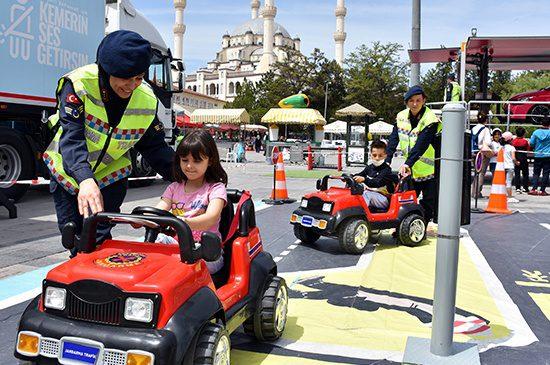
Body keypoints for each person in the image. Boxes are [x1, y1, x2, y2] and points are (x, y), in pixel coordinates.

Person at [44, 30, 175, 250]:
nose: (132, 85)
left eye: (139, 78)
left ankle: (95, 279)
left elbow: (155, 148)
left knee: (97, 240)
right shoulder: (79, 85)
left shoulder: (146, 98)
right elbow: (72, 138)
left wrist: (189, 176)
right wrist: (85, 179)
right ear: (106, 70)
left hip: (109, 178)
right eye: (126, 77)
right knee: (74, 238)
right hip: (69, 173)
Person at [155, 130, 228, 273]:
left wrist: (182, 222)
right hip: (179, 246)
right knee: (154, 244)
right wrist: (142, 220)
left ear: (210, 161)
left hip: (208, 252)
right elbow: (159, 212)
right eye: (185, 160)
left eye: (197, 160)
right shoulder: (174, 188)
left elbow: (211, 218)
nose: (189, 166)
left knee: (184, 269)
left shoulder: (215, 189)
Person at [386, 85, 442, 221]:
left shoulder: (430, 119)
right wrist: (387, 159)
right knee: (406, 202)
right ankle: (406, 227)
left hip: (431, 170)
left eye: (418, 100)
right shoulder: (401, 117)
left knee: (428, 204)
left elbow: (421, 145)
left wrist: (407, 163)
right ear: (406, 102)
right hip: (411, 170)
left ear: (424, 100)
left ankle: (421, 229)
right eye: (411, 101)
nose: (415, 104)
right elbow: (394, 139)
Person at [353, 140, 395, 210]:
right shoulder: (369, 167)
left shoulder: (386, 170)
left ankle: (359, 214)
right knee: (355, 194)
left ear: (385, 156)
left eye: (380, 156)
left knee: (366, 194)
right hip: (371, 195)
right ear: (371, 155)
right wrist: (349, 177)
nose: (377, 158)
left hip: (383, 198)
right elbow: (360, 174)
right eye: (374, 155)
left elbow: (377, 183)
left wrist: (364, 179)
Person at [471, 111, 494, 198]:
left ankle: (473, 191)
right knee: (481, 173)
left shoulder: (473, 128)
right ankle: (477, 192)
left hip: (474, 152)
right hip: (483, 153)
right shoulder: (485, 129)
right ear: (486, 120)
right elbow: (488, 142)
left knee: (476, 172)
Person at [529, 117, 550, 196]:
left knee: (536, 173)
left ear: (541, 123)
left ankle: (534, 189)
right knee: (546, 173)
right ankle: (542, 190)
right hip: (548, 155)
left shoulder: (536, 132)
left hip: (538, 155)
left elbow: (531, 143)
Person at [501, 132, 518, 203]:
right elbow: (513, 158)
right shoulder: (512, 148)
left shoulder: (501, 148)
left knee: (502, 182)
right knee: (508, 182)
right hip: (510, 166)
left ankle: (502, 195)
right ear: (510, 140)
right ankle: (510, 197)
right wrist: (517, 162)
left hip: (502, 166)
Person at [512, 126, 530, 193]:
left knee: (517, 174)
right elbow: (528, 150)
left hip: (516, 159)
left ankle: (517, 188)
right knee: (525, 174)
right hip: (524, 159)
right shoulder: (525, 141)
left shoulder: (513, 141)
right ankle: (525, 187)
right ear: (523, 134)